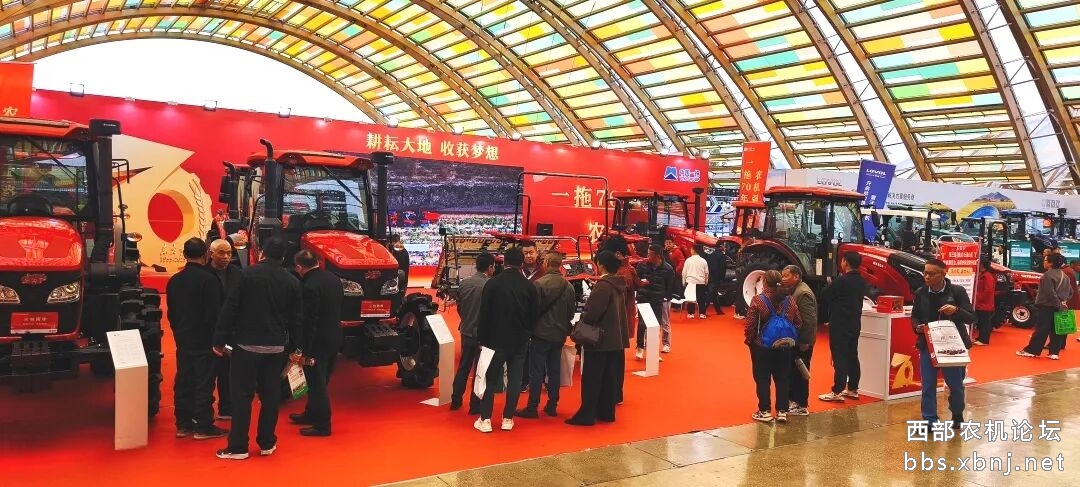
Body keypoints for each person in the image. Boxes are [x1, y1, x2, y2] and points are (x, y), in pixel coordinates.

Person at [212, 237, 304, 460]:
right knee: (271, 397)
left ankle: (238, 447)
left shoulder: (246, 275)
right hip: (276, 348)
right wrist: (296, 348)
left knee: (241, 397)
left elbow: (230, 308)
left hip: (246, 346)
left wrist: (219, 340)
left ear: (262, 252)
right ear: (284, 257)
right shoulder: (292, 281)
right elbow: (297, 319)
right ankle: (267, 442)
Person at [166, 238, 227, 440]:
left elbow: (172, 313)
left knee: (184, 381)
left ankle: (183, 424)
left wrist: (178, 332)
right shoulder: (209, 280)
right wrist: (219, 340)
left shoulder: (174, 281)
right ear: (206, 255)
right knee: (204, 383)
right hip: (205, 339)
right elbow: (214, 314)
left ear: (184, 254)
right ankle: (203, 425)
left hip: (183, 338)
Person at [473, 247, 538, 433]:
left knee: (490, 379)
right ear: (521, 263)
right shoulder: (529, 286)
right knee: (515, 380)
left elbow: (484, 314)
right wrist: (527, 334)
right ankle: (508, 418)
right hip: (519, 341)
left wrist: (482, 339)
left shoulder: (493, 284)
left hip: (494, 341)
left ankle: (485, 419)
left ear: (503, 262)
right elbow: (534, 316)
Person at [566, 250, 627, 426]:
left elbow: (592, 313)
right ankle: (606, 412)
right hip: (614, 339)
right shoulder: (617, 284)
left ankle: (587, 414)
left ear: (601, 265)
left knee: (592, 377)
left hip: (599, 339)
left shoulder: (603, 285)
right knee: (608, 377)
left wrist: (582, 318)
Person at [911, 258, 975, 426]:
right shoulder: (921, 292)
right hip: (928, 343)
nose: (927, 277)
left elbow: (971, 317)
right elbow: (915, 316)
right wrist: (917, 327)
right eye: (925, 273)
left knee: (955, 385)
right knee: (928, 385)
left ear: (943, 273)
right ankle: (930, 420)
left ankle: (957, 413)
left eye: (932, 274)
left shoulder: (957, 291)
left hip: (952, 345)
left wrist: (956, 310)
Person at [288, 250, 343, 437]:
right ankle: (311, 413)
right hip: (334, 337)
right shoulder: (333, 279)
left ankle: (322, 425)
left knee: (316, 383)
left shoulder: (309, 286)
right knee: (321, 380)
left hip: (317, 342)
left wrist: (302, 348)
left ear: (299, 267)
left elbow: (309, 321)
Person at [517, 252, 576, 418]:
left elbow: (532, 310)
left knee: (536, 371)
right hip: (559, 333)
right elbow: (571, 313)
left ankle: (532, 407)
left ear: (547, 263)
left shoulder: (539, 284)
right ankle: (552, 405)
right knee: (554, 370)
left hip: (540, 333)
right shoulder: (568, 286)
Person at [744, 270, 801, 423]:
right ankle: (782, 411)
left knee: (762, 378)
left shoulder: (758, 300)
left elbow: (750, 325)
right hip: (785, 346)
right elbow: (798, 322)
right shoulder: (789, 300)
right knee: (783, 377)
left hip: (763, 346)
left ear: (764, 282)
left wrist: (750, 340)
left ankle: (764, 410)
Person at [818, 251, 867, 403]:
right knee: (852, 356)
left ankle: (837, 390)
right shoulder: (861, 281)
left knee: (839, 358)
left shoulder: (842, 280)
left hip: (840, 324)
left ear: (845, 262)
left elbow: (824, 294)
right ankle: (852, 388)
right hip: (855, 323)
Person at [450, 252, 494, 413]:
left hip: (466, 330)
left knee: (464, 366)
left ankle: (456, 399)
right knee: (480, 370)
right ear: (490, 267)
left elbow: (460, 307)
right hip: (483, 334)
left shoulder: (464, 283)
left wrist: (467, 319)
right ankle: (475, 405)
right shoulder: (491, 285)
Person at [207, 238, 242, 421]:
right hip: (208, 331)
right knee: (207, 374)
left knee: (228, 373)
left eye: (229, 253)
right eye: (221, 253)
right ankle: (203, 413)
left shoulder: (238, 273)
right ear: (211, 254)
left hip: (232, 332)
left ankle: (226, 407)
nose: (226, 257)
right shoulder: (204, 274)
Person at [1017, 252, 1072, 360]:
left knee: (1041, 329)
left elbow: (1050, 293)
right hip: (1060, 306)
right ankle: (1054, 353)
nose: (1043, 262)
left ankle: (1032, 351)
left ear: (1051, 263)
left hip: (1047, 306)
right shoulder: (1064, 276)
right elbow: (1070, 292)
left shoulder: (1047, 275)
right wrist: (1062, 302)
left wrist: (1057, 303)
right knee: (1056, 330)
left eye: (1045, 260)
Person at [604, 235, 637, 405]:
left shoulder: (622, 272)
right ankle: (616, 394)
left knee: (613, 362)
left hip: (616, 322)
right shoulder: (626, 269)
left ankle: (614, 394)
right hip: (621, 323)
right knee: (616, 360)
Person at [781, 265, 817, 416]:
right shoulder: (795, 290)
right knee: (794, 372)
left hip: (802, 342)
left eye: (786, 276)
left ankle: (801, 404)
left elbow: (809, 320)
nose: (783, 279)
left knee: (800, 373)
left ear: (796, 276)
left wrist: (804, 341)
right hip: (796, 340)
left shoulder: (803, 293)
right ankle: (794, 401)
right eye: (782, 276)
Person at [635, 245, 675, 357]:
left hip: (657, 300)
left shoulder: (668, 269)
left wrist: (665, 297)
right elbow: (636, 280)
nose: (647, 256)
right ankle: (640, 347)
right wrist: (641, 284)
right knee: (642, 324)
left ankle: (653, 352)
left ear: (657, 256)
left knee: (655, 326)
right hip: (644, 298)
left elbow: (669, 286)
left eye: (650, 254)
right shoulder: (642, 265)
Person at [973, 257, 996, 346]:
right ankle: (981, 338)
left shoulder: (987, 276)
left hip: (985, 303)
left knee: (985, 322)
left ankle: (984, 340)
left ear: (982, 265)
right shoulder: (983, 274)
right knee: (981, 321)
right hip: (981, 303)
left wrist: (978, 297)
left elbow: (988, 290)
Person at [681, 244, 709, 319]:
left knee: (690, 298)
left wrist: (683, 282)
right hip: (701, 282)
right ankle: (702, 313)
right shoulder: (703, 260)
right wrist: (706, 282)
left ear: (693, 250)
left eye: (691, 249)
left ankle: (691, 313)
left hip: (690, 281)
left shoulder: (688, 260)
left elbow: (684, 272)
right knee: (701, 298)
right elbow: (706, 273)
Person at [702, 247, 727, 316]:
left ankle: (718, 310)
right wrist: (722, 278)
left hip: (710, 275)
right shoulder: (722, 256)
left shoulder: (711, 254)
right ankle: (703, 310)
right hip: (716, 277)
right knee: (711, 293)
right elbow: (723, 268)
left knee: (713, 293)